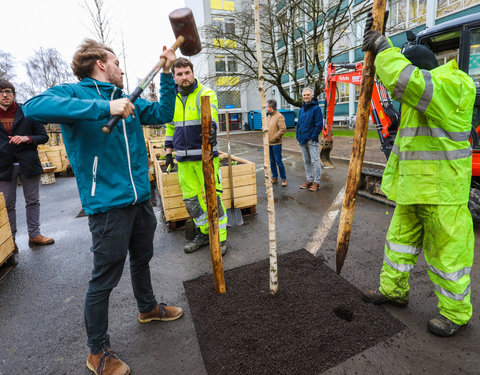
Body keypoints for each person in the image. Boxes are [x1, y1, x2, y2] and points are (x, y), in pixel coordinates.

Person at [23, 39, 183, 374]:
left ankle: (148, 307)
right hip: (107, 205)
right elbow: (33, 107)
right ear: (100, 64)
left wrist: (166, 73)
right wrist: (103, 109)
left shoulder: (126, 100)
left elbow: (164, 113)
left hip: (140, 198)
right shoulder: (75, 94)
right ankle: (97, 351)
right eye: (116, 62)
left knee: (142, 259)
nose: (121, 68)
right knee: (104, 278)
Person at [361, 12, 476, 337]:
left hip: (442, 194)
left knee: (447, 256)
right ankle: (394, 290)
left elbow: (403, 80)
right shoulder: (422, 98)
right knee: (398, 244)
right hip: (415, 190)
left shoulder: (453, 85)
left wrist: (384, 47)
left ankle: (455, 313)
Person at [164, 57, 228, 255]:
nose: (184, 77)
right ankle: (203, 233)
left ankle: (220, 237)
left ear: (193, 73)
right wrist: (168, 153)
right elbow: (169, 127)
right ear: (174, 77)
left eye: (187, 72)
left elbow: (212, 115)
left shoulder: (205, 93)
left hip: (205, 158)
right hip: (183, 162)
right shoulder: (171, 100)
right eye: (179, 74)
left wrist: (212, 128)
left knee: (213, 199)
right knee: (191, 201)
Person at [0, 79, 54, 251]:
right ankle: (11, 240)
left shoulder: (27, 112)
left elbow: (43, 136)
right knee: (7, 204)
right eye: (1, 92)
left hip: (28, 163)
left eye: (8, 91)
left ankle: (35, 235)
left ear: (14, 94)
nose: (4, 95)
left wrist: (27, 138)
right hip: (3, 166)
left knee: (32, 201)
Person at [296, 87, 323, 191]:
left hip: (311, 140)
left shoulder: (316, 109)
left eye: (308, 95)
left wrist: (312, 137)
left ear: (312, 96)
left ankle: (317, 182)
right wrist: (298, 136)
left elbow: (319, 124)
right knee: (306, 161)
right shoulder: (301, 110)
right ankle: (309, 180)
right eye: (304, 95)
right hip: (302, 139)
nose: (306, 96)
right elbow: (298, 125)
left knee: (315, 161)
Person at [267, 99, 287, 186]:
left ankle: (283, 179)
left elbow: (283, 129)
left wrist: (276, 137)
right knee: (272, 162)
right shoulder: (268, 116)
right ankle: (274, 177)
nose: (266, 108)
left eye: (267, 106)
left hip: (276, 144)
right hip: (269, 143)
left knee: (279, 161)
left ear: (271, 107)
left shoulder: (279, 116)